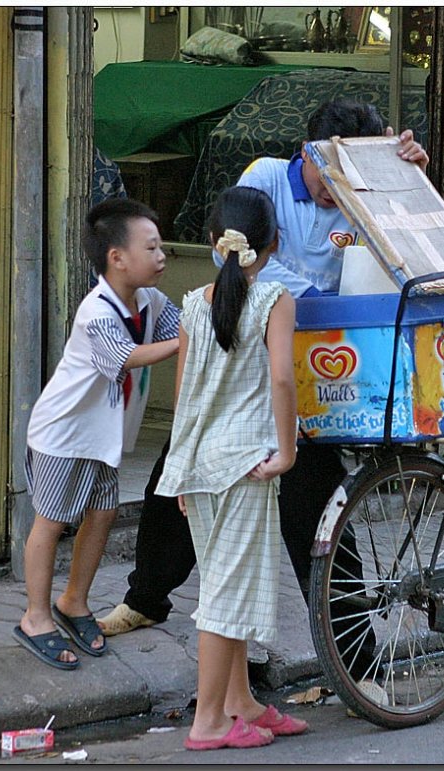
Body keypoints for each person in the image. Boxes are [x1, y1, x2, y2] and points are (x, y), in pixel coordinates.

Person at [97, 98, 428, 695]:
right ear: (307, 154)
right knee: (172, 490)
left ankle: (357, 670)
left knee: (321, 518)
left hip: (321, 380)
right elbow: (251, 275)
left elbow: (409, 254)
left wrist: (402, 179)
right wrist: (320, 302)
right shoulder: (264, 181)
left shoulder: (364, 195)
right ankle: (147, 599)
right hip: (244, 372)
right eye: (336, 174)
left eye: (357, 174)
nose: (342, 190)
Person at [154, 186, 306, 750]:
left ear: (213, 243)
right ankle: (209, 721)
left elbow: (184, 393)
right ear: (273, 244)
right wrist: (287, 452)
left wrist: (179, 468)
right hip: (246, 464)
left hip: (201, 463)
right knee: (222, 595)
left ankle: (240, 701)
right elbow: (283, 380)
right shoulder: (275, 299)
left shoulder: (193, 302)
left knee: (227, 586)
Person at [13, 198, 179, 670]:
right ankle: (35, 616)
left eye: (162, 245)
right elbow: (124, 358)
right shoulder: (97, 311)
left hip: (102, 439)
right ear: (117, 257)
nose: (162, 255)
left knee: (103, 514)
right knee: (50, 522)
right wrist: (185, 341)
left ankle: (74, 602)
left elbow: (184, 327)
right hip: (63, 435)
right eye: (151, 246)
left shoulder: (151, 302)